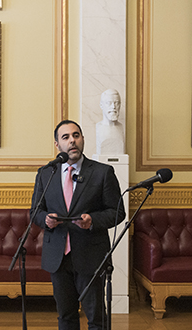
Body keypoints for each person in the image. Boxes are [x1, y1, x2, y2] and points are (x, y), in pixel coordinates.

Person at [30, 120, 126, 330]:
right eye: (65, 137)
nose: (72, 141)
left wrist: (93, 221)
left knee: (96, 318)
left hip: (90, 255)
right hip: (58, 256)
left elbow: (118, 212)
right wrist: (46, 220)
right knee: (66, 317)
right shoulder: (46, 173)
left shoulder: (102, 172)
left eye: (76, 135)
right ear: (57, 144)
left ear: (82, 139)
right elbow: (35, 212)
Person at [95, 89, 124, 155]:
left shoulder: (121, 127)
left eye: (116, 103)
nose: (113, 107)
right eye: (109, 103)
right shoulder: (98, 127)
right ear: (101, 106)